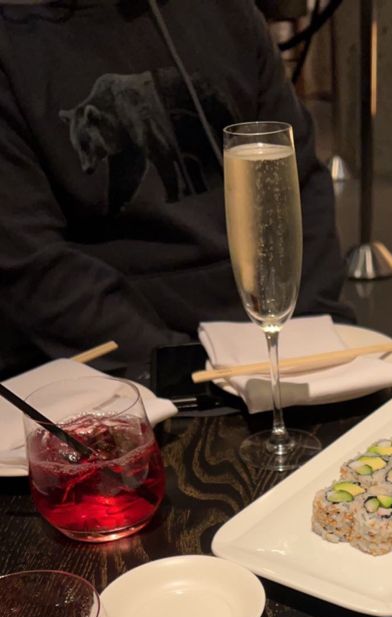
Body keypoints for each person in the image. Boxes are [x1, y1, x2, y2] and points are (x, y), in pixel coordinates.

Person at [0, 0, 350, 374]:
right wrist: (183, 369)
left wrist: (309, 330)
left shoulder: (230, 14)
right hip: (131, 377)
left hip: (284, 346)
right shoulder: (15, 46)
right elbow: (35, 266)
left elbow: (299, 185)